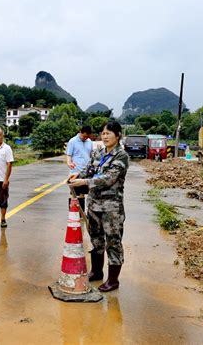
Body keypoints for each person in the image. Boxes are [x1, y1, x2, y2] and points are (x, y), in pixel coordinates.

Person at [68, 121, 129, 292]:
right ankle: (96, 272)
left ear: (118, 136)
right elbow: (89, 170)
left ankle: (113, 280)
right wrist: (77, 175)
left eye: (109, 133)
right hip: (94, 205)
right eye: (103, 133)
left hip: (111, 208)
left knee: (113, 243)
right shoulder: (98, 153)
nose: (105, 136)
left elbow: (108, 178)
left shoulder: (121, 156)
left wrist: (85, 181)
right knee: (96, 240)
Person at [66, 126, 93, 211]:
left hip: (86, 172)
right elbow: (69, 154)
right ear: (80, 132)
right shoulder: (72, 141)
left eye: (87, 137)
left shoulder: (89, 142)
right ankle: (72, 213)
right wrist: (69, 163)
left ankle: (81, 214)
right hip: (75, 171)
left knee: (82, 193)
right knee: (74, 193)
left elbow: (91, 155)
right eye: (84, 136)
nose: (85, 138)